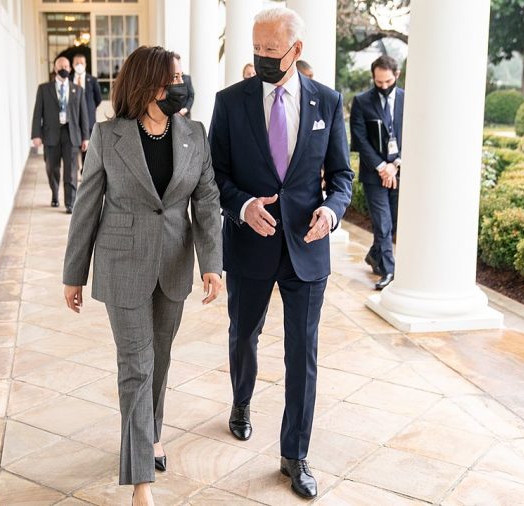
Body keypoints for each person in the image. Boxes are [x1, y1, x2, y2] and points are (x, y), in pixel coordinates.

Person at [62, 46, 223, 506]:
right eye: (171, 78)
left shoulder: (193, 132)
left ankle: (150, 435)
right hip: (122, 263)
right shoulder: (109, 135)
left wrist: (212, 263)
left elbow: (207, 201)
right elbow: (86, 205)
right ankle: (140, 483)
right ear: (147, 84)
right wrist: (74, 272)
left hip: (174, 264)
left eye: (180, 77)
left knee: (161, 356)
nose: (179, 85)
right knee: (135, 365)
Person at [208, 6, 354, 499]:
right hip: (250, 245)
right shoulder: (229, 103)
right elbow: (215, 176)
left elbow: (341, 178)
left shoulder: (328, 103)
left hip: (307, 251)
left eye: (272, 50)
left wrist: (331, 213)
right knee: (243, 334)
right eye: (257, 49)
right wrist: (243, 205)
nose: (263, 58)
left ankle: (295, 455)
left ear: (296, 50)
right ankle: (242, 402)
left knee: (303, 355)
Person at [349, 55, 404, 290]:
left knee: (393, 223)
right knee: (382, 224)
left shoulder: (407, 100)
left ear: (397, 75)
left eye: (387, 81)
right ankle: (389, 271)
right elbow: (359, 139)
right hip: (374, 174)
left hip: (400, 171)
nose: (383, 86)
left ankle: (375, 254)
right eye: (378, 82)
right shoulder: (361, 101)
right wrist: (382, 168)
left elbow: (415, 135)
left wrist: (395, 165)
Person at [31, 55, 89, 213]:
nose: (63, 69)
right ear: (55, 69)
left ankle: (70, 202)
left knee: (71, 170)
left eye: (66, 66)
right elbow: (38, 113)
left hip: (71, 135)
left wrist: (86, 137)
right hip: (51, 134)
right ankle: (55, 194)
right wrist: (36, 134)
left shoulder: (78, 90)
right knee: (52, 168)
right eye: (60, 66)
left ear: (69, 69)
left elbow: (83, 115)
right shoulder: (44, 89)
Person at [72, 53, 104, 166]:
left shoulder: (92, 80)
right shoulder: (69, 79)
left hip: (89, 120)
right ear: (73, 64)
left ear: (85, 64)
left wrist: (89, 109)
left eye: (81, 63)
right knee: (73, 148)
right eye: (77, 63)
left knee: (88, 148)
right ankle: (74, 171)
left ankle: (84, 173)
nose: (79, 65)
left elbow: (98, 98)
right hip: (73, 120)